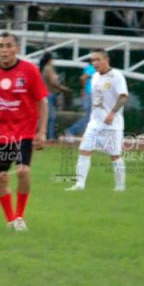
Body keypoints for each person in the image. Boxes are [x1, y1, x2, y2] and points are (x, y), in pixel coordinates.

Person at [0, 32, 48, 231]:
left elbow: (42, 101)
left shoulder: (29, 70)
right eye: (0, 46)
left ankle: (20, 216)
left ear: (16, 48)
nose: (4, 50)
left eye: (8, 45)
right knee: (2, 177)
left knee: (23, 171)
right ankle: (10, 219)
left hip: (24, 131)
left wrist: (42, 131)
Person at [66, 49, 128, 191]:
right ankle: (79, 185)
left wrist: (112, 113)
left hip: (112, 125)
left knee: (115, 155)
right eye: (93, 60)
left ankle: (120, 187)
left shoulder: (116, 76)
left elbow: (123, 96)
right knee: (84, 150)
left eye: (98, 59)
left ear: (106, 60)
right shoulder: (94, 77)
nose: (95, 63)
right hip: (94, 123)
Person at [39, 53, 69, 140]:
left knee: (49, 116)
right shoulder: (49, 68)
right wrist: (63, 89)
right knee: (51, 117)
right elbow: (53, 82)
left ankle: (49, 135)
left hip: (46, 94)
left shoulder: (44, 68)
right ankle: (50, 137)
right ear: (50, 60)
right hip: (50, 94)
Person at [65, 60, 96, 138]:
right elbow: (83, 78)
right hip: (90, 94)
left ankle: (88, 134)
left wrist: (83, 89)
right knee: (89, 117)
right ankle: (71, 130)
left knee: (91, 117)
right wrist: (84, 89)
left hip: (90, 94)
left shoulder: (89, 67)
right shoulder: (92, 68)